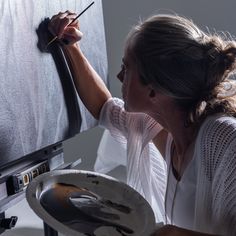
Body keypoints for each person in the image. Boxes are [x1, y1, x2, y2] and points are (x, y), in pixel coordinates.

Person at [48, 11, 236, 236]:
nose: (119, 76)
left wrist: (168, 233)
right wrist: (71, 46)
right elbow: (104, 107)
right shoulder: (161, 131)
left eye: (126, 69)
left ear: (153, 89)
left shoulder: (224, 138)